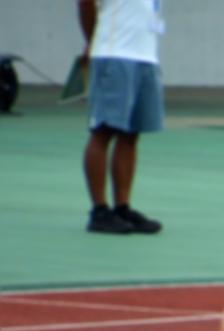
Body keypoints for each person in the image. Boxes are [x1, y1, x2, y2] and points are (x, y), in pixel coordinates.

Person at [77, 0, 166, 234]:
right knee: (104, 130)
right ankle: (99, 209)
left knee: (130, 133)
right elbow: (85, 3)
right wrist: (92, 41)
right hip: (114, 54)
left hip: (145, 57)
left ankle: (122, 206)